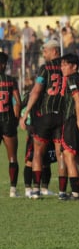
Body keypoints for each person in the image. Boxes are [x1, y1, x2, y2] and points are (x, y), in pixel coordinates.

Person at [19, 39, 64, 199]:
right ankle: (63, 192)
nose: (43, 54)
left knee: (38, 152)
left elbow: (36, 91)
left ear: (54, 51)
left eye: (45, 51)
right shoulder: (67, 66)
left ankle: (36, 190)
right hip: (62, 116)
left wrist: (26, 113)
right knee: (60, 154)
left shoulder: (46, 68)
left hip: (45, 116)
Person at [59, 53, 79, 200]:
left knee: (69, 155)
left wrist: (78, 122)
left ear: (74, 66)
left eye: (65, 64)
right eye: (61, 64)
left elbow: (78, 100)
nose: (62, 67)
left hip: (72, 121)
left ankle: (75, 192)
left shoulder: (71, 79)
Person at [0, 52, 22, 197]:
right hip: (7, 120)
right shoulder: (10, 80)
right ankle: (13, 190)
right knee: (12, 156)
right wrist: (16, 118)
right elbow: (18, 102)